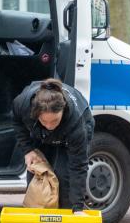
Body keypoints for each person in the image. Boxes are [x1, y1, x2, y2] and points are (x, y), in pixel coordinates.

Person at [12, 78, 94, 214]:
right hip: (39, 134)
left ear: (63, 110)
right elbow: (16, 121)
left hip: (68, 135)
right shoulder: (23, 104)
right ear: (35, 114)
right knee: (39, 176)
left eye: (54, 120)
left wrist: (78, 207)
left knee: (64, 177)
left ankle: (65, 220)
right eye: (45, 121)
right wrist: (28, 150)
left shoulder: (77, 125)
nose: (50, 126)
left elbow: (78, 166)